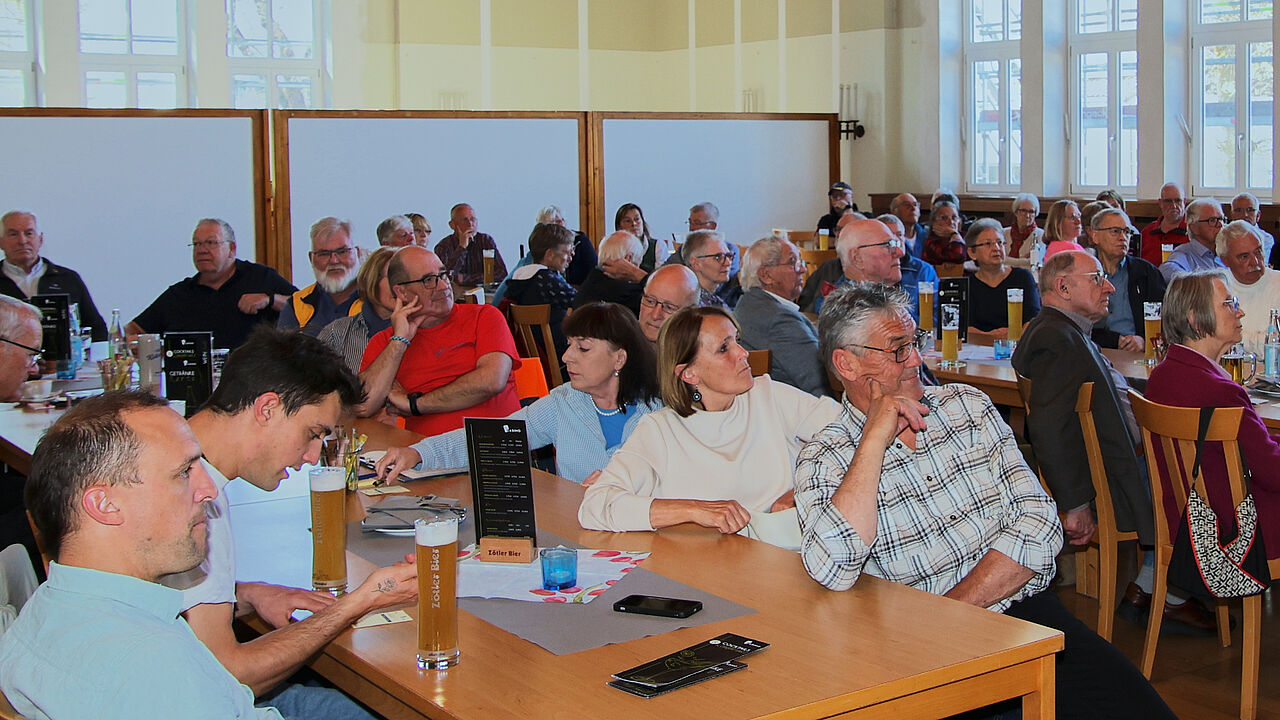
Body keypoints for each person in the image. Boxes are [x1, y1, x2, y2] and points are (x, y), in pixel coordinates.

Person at [793, 282, 1177, 720]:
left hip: (1022, 615)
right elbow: (832, 571)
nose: (917, 359)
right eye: (898, 350)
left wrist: (953, 614)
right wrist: (873, 442)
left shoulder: (966, 406)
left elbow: (1040, 523)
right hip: (913, 656)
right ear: (846, 363)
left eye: (913, 342)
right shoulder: (825, 457)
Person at [161, 328, 417, 718]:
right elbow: (228, 677)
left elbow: (167, 601)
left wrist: (245, 594)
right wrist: (360, 601)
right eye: (312, 434)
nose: (314, 457)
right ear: (267, 408)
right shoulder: (195, 500)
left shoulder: (171, 461)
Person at [0, 392, 287, 719]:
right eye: (184, 472)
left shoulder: (44, 609)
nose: (208, 489)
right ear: (105, 505)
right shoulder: (153, 665)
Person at [1013, 251, 1215, 632]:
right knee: (1209, 478)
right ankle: (1172, 591)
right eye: (1097, 278)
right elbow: (1049, 427)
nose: (1109, 287)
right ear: (1063, 286)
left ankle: (1152, 587)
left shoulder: (1061, 331)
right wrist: (1075, 505)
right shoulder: (1057, 340)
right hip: (1119, 478)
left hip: (1122, 461)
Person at [579, 306, 840, 548]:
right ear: (689, 374)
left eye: (736, 340)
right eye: (724, 348)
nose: (743, 352)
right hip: (708, 568)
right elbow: (595, 506)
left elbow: (856, 432)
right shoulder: (660, 430)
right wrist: (695, 510)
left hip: (787, 557)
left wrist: (802, 490)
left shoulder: (768, 396)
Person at [373, 303, 662, 485]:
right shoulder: (564, 403)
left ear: (619, 359)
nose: (566, 357)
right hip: (583, 536)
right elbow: (493, 437)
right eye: (569, 345)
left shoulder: (661, 413)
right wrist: (419, 453)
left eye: (582, 349)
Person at [1146, 270, 1280, 562]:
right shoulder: (1219, 391)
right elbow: (1273, 473)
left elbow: (1251, 450)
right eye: (1229, 304)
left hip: (1187, 519)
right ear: (1195, 318)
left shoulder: (1163, 375)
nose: (1240, 311)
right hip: (1238, 530)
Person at [358, 246, 520, 436]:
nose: (444, 286)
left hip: (494, 449)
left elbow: (490, 382)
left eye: (443, 275)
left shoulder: (484, 316)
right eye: (428, 280)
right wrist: (400, 341)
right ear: (401, 292)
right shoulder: (385, 343)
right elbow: (363, 406)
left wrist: (414, 404)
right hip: (424, 458)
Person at [129, 218, 296, 349]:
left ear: (232, 248)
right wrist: (135, 344)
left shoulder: (260, 277)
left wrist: (271, 299)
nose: (202, 250)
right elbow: (133, 330)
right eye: (197, 244)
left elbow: (308, 307)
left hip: (252, 379)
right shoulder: (179, 294)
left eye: (211, 243)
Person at [736, 235, 829, 397]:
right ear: (766, 275)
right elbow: (819, 385)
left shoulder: (747, 303)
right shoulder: (780, 320)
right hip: (795, 410)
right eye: (793, 262)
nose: (803, 269)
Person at [800, 217, 939, 325]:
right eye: (888, 245)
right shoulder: (846, 312)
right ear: (857, 258)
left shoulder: (881, 296)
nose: (900, 252)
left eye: (897, 243)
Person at [0, 210, 107, 341]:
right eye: (13, 234)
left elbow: (96, 328)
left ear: (40, 239)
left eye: (29, 233)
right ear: (1, 242)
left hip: (64, 360)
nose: (22, 241)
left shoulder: (68, 279)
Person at [1090, 208, 1166, 352]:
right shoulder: (1084, 274)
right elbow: (1075, 325)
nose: (1123, 237)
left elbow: (1166, 320)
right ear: (1095, 236)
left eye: (1126, 232)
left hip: (1137, 353)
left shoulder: (1146, 273)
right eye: (1115, 231)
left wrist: (1144, 340)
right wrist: (1114, 341)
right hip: (1095, 351)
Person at [277, 217, 363, 337]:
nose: (334, 260)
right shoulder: (296, 306)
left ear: (357, 253)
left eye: (342, 251)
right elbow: (282, 353)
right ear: (311, 258)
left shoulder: (378, 299)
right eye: (324, 254)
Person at [504, 223, 578, 362]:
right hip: (558, 358)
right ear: (549, 254)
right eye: (567, 252)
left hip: (535, 356)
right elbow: (581, 301)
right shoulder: (546, 279)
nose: (570, 257)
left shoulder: (520, 278)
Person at [317, 246, 396, 372]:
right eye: (392, 277)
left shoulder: (425, 328)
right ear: (372, 280)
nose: (400, 286)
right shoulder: (336, 334)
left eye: (407, 279)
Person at [963, 218, 1039, 340]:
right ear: (972, 253)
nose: (996, 248)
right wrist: (992, 337)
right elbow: (964, 327)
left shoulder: (1023, 277)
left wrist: (1015, 338)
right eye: (988, 243)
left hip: (1019, 345)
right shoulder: (967, 286)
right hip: (977, 348)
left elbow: (1033, 318)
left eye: (999, 242)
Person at [1217, 219, 1280, 355]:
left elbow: (1276, 349)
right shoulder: (1216, 288)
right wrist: (1263, 340)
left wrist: (1236, 338)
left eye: (1258, 252)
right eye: (1244, 257)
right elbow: (1213, 342)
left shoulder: (1278, 283)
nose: (1255, 262)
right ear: (1225, 260)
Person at [572, 230, 646, 316]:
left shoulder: (592, 280)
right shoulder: (628, 293)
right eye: (638, 262)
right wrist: (642, 276)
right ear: (628, 259)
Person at [433, 203, 507, 287]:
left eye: (473, 219)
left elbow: (502, 274)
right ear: (452, 225)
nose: (470, 224)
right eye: (464, 220)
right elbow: (445, 277)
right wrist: (462, 247)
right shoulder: (443, 246)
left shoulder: (485, 240)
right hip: (456, 297)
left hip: (483, 294)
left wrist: (466, 279)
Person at [1159, 198, 1227, 282]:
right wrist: (1200, 284)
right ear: (1194, 227)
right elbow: (1166, 270)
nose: (1220, 224)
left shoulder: (1227, 251)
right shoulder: (1185, 253)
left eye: (1221, 219)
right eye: (1212, 220)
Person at [665, 203, 741, 277]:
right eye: (690, 222)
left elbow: (727, 277)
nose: (691, 228)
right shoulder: (686, 249)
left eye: (697, 223)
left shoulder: (730, 250)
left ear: (712, 226)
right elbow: (664, 270)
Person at [637, 264, 700, 345]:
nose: (655, 315)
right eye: (650, 301)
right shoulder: (618, 344)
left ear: (691, 314)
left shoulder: (697, 354)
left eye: (669, 308)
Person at [604, 203, 671, 279]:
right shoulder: (613, 247)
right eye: (628, 221)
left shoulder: (658, 246)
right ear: (619, 226)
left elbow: (661, 278)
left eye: (637, 219)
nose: (634, 224)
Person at [537, 204, 596, 286]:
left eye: (563, 220)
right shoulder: (539, 247)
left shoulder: (580, 241)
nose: (562, 224)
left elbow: (594, 274)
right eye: (557, 222)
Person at [681, 230, 736, 309]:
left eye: (729, 256)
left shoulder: (715, 301)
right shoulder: (692, 306)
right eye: (718, 257)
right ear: (696, 264)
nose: (728, 263)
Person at [1140, 182, 1189, 265]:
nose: (1174, 206)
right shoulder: (1147, 232)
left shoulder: (1193, 232)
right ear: (1160, 203)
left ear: (1184, 202)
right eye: (1168, 201)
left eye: (1178, 201)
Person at [1230, 192, 1277, 268]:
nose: (1245, 214)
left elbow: (1261, 265)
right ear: (1232, 214)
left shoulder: (1266, 239)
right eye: (1239, 210)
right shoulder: (1224, 236)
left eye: (1250, 210)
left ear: (1258, 215)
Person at [1002, 193, 1044, 270]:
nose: (1027, 215)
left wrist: (1008, 260)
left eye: (1031, 212)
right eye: (1023, 211)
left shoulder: (1041, 235)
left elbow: (1035, 262)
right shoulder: (1004, 233)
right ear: (1016, 212)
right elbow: (1000, 258)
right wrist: (1025, 261)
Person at [919, 200, 965, 265]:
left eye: (954, 217)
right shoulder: (931, 242)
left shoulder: (965, 237)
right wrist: (954, 234)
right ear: (933, 222)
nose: (951, 222)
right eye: (944, 218)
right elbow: (957, 256)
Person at [890, 193, 927, 258]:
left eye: (915, 205)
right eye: (907, 205)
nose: (913, 208)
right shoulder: (890, 238)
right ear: (894, 212)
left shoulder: (926, 236)